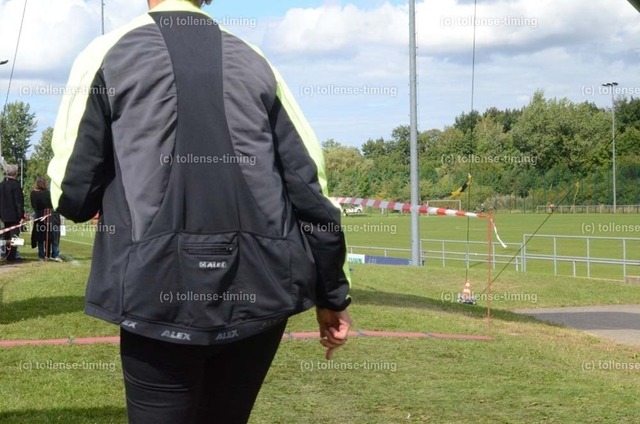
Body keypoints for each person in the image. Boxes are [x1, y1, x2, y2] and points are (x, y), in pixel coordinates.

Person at [48, 0, 352, 423]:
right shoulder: (256, 58)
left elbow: (73, 195)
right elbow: (310, 188)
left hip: (154, 289)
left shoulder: (106, 52)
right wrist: (332, 293)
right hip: (260, 288)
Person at [30, 176, 62, 262]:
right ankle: (55, 254)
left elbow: (33, 205)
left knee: (40, 236)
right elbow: (52, 204)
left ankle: (41, 255)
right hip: (49, 215)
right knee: (53, 235)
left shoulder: (33, 193)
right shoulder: (48, 193)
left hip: (39, 216)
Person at [0, 164, 25, 263]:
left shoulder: (1, 185)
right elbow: (19, 202)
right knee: (14, 236)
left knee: (6, 236)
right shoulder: (16, 185)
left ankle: (6, 254)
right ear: (16, 173)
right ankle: (12, 257)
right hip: (14, 216)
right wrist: (21, 216)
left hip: (3, 215)